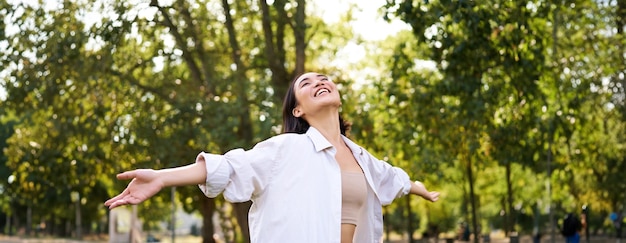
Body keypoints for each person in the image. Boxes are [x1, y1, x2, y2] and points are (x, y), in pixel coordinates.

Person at [104, 72, 440, 243]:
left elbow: (393, 178)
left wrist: (420, 188)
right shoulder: (286, 150)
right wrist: (162, 177)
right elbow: (230, 167)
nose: (319, 81)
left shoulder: (362, 157)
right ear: (298, 108)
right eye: (306, 83)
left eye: (324, 78)